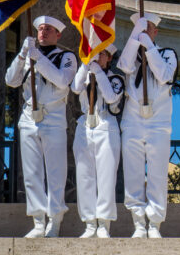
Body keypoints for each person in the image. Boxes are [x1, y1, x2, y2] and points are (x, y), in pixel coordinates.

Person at [5, 15, 77, 238]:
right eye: (41, 29)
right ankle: (38, 221)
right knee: (31, 172)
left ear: (58, 34)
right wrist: (22, 55)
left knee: (55, 172)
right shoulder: (28, 56)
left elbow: (63, 81)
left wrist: (39, 59)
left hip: (53, 117)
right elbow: (11, 80)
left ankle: (54, 220)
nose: (43, 33)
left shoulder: (66, 57)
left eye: (49, 30)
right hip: (29, 117)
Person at [118, 12, 177, 239]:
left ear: (156, 32)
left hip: (158, 122)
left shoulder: (166, 54)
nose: (144, 31)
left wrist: (150, 48)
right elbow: (123, 65)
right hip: (133, 121)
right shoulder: (131, 56)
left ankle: (154, 223)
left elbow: (164, 75)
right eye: (141, 27)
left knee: (157, 174)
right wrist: (135, 37)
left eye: (148, 27)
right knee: (132, 174)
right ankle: (138, 223)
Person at [71, 43, 125, 238]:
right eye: (94, 53)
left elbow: (111, 97)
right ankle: (89, 224)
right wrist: (85, 65)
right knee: (84, 177)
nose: (97, 57)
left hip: (106, 126)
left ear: (109, 58)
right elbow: (76, 88)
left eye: (101, 54)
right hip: (85, 125)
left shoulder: (116, 78)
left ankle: (104, 224)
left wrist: (98, 73)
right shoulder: (85, 75)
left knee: (106, 178)